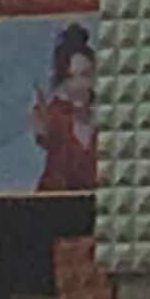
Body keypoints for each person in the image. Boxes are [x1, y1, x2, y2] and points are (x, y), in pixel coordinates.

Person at [31, 24, 98, 194]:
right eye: (70, 77)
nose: (78, 85)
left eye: (85, 75)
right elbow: (46, 131)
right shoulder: (57, 114)